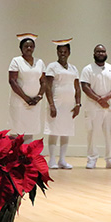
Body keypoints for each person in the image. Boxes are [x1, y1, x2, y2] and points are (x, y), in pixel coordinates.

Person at [80, 44, 111, 169]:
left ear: (106, 53)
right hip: (93, 108)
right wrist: (99, 99)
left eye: (103, 51)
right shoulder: (88, 69)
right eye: (98, 51)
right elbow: (85, 87)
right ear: (94, 54)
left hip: (110, 108)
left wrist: (106, 98)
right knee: (92, 133)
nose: (100, 53)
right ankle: (92, 159)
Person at [44, 38, 81, 169]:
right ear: (57, 52)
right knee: (54, 131)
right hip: (56, 103)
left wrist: (78, 104)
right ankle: (52, 160)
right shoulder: (52, 67)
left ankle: (62, 160)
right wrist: (51, 104)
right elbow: (47, 86)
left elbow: (77, 88)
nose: (62, 54)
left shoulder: (73, 68)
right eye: (60, 52)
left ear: (69, 53)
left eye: (65, 51)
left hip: (69, 105)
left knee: (66, 131)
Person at [8, 33, 46, 142]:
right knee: (17, 129)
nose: (29, 48)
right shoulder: (16, 61)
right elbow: (12, 81)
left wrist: (39, 96)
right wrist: (26, 98)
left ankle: (28, 156)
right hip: (20, 101)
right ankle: (15, 157)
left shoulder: (40, 62)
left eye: (31, 46)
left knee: (31, 129)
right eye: (26, 46)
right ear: (21, 48)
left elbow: (44, 81)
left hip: (35, 102)